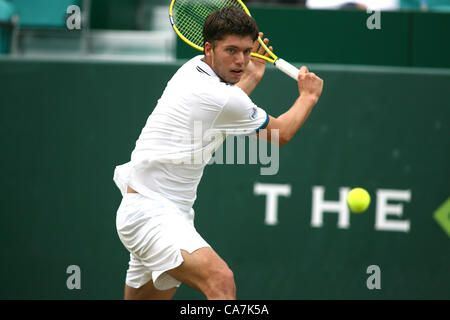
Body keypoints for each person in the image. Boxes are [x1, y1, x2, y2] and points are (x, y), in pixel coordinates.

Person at [113, 6, 323, 300]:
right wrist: (308, 97)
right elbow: (280, 134)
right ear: (209, 48)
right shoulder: (221, 97)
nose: (241, 60)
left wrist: (252, 77)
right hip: (151, 215)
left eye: (247, 51)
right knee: (221, 281)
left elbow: (223, 111)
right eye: (231, 51)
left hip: (156, 213)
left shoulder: (193, 68)